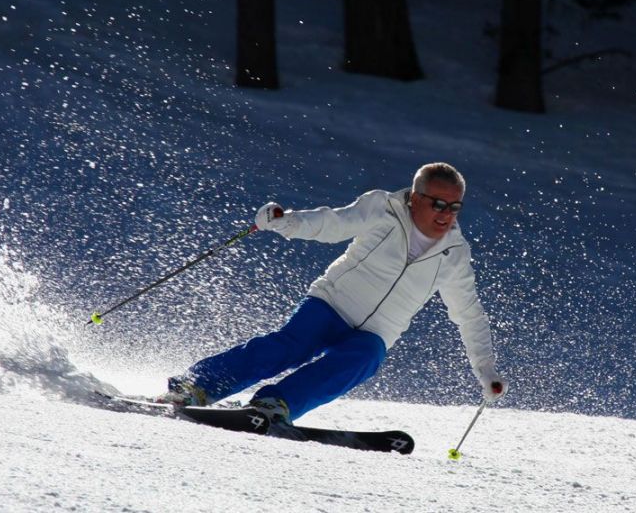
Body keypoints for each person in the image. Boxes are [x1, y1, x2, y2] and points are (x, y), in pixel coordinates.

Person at [159, 162, 507, 423]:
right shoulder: (383, 209)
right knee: (291, 346)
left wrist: (486, 371)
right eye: (438, 204)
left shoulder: (454, 254)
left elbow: (469, 315)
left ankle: (275, 405)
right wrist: (287, 222)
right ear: (415, 197)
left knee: (366, 358)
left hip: (376, 331)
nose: (446, 215)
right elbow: (333, 223)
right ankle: (196, 386)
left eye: (455, 207)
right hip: (333, 303)